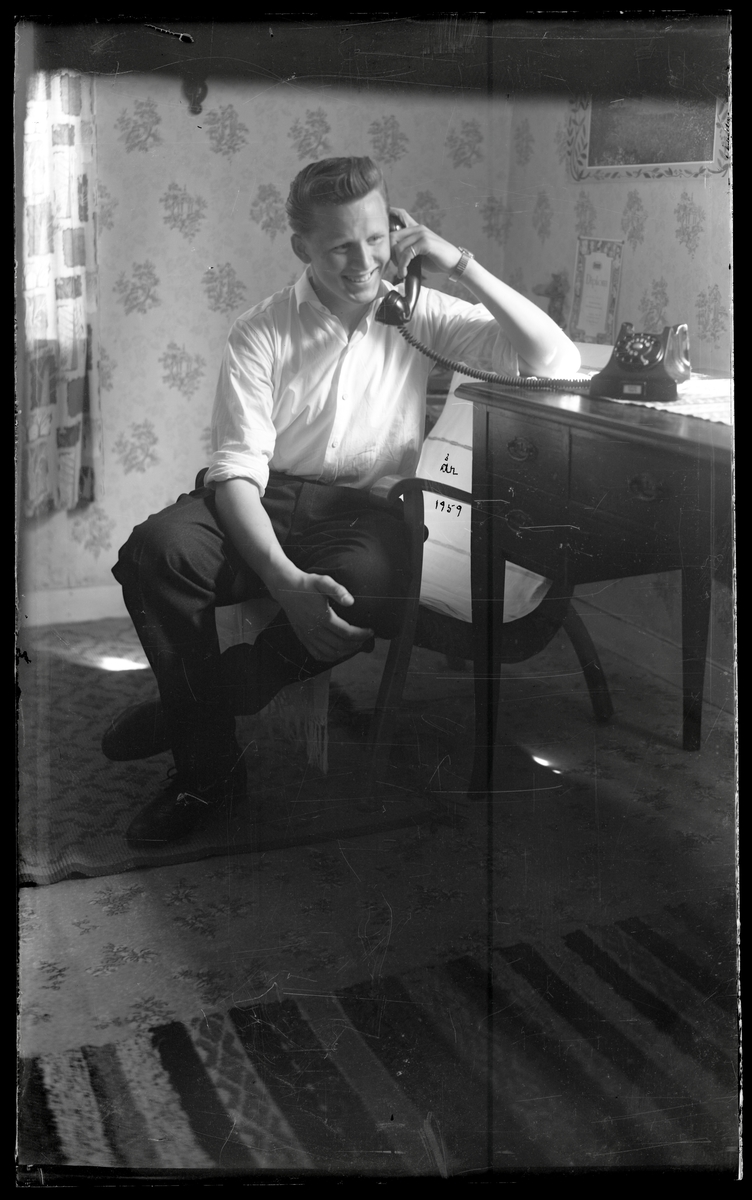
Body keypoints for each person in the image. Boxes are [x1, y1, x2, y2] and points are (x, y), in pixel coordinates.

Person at [106, 155, 580, 847]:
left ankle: (205, 704)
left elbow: (554, 360)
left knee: (379, 580)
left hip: (362, 516)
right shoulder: (260, 330)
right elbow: (235, 473)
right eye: (339, 247)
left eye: (376, 239)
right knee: (158, 551)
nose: (364, 263)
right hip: (266, 497)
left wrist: (459, 264)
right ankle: (208, 777)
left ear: (397, 231)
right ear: (302, 247)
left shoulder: (417, 314)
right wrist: (283, 582)